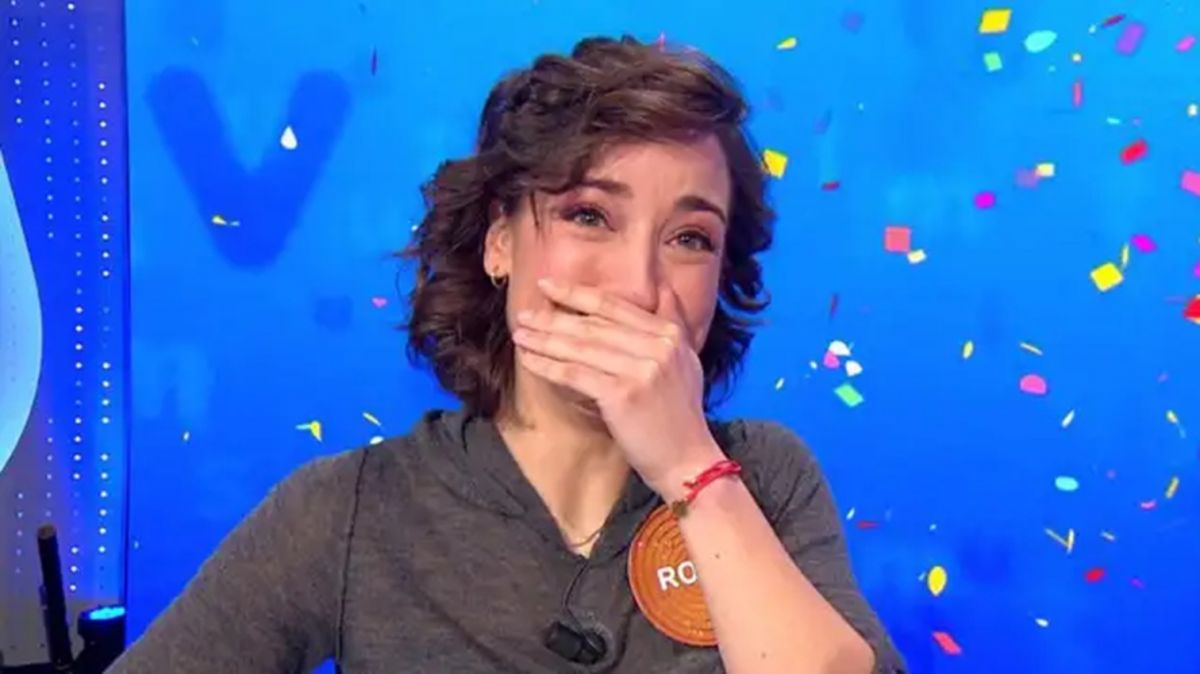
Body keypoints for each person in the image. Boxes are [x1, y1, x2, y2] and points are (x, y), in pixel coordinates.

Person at [107, 35, 906, 673]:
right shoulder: (352, 511)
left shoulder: (765, 478)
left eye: (690, 238)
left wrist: (690, 470)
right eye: (589, 216)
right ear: (500, 242)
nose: (639, 286)